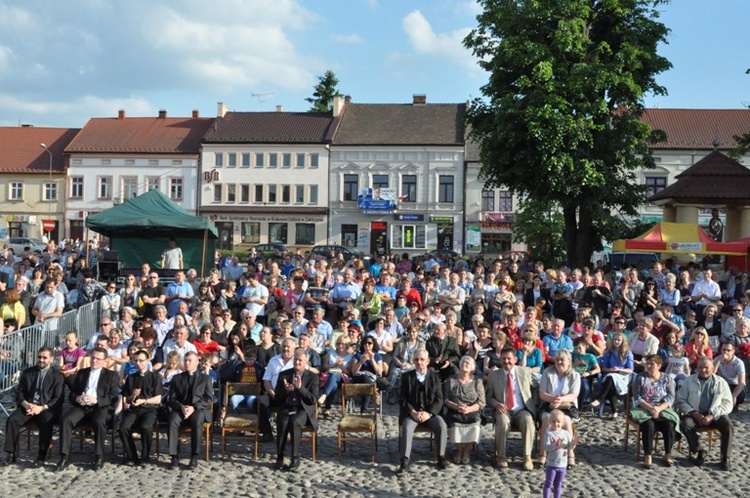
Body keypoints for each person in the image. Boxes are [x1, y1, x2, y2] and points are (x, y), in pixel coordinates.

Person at [57, 347, 120, 471]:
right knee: (66, 420)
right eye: (93, 357)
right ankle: (64, 456)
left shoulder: (111, 375)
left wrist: (97, 400)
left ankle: (99, 455)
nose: (94, 361)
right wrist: (77, 398)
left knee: (99, 422)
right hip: (82, 406)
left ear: (105, 361)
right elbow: (72, 394)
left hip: (99, 407)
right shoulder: (82, 373)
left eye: (98, 359)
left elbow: (113, 397)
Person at [2, 347, 64, 467]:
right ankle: (10, 454)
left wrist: (42, 408)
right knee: (12, 420)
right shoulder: (28, 372)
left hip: (45, 408)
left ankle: (41, 456)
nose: (41, 360)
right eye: (39, 357)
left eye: (44, 357)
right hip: (28, 405)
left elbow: (58, 398)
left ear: (51, 359)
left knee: (46, 421)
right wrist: (25, 404)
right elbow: (19, 392)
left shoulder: (57, 376)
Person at [676, 355, 734, 470]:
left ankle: (725, 457)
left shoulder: (721, 382)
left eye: (706, 367)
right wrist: (695, 413)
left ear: (712, 368)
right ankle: (700, 451)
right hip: (695, 413)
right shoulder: (689, 380)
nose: (703, 370)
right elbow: (681, 400)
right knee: (685, 425)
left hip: (715, 414)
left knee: (728, 425)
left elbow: (728, 404)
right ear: (697, 368)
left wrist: (712, 416)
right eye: (701, 367)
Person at [397, 349, 448, 473]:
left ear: (428, 361)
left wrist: (428, 413)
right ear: (413, 361)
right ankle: (404, 459)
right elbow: (402, 399)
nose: (419, 362)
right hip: (412, 413)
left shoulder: (435, 377)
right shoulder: (406, 377)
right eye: (416, 359)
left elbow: (439, 399)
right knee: (407, 427)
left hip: (430, 414)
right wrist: (413, 412)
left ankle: (441, 456)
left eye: (422, 359)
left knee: (441, 425)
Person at [486, 346, 537, 471]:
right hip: (503, 410)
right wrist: (496, 404)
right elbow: (488, 396)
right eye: (503, 359)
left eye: (509, 358)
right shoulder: (494, 375)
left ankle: (527, 457)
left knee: (528, 421)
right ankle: (501, 457)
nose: (506, 361)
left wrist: (534, 403)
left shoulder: (525, 371)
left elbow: (537, 388)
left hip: (522, 409)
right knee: (502, 422)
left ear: (515, 359)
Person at [630, 354, 679, 468]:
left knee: (669, 424)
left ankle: (668, 453)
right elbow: (637, 397)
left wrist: (658, 408)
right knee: (648, 425)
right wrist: (651, 409)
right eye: (647, 363)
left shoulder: (667, 379)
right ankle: (648, 454)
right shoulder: (640, 378)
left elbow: (671, 398)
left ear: (659, 366)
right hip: (645, 408)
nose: (648, 366)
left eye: (652, 364)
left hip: (662, 408)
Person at [274, 348, 319, 471]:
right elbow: (277, 399)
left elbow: (313, 399)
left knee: (294, 422)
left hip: (302, 410)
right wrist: (286, 391)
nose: (297, 363)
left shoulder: (312, 377)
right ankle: (280, 457)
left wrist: (300, 389)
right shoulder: (284, 375)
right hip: (287, 407)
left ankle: (295, 458)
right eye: (295, 360)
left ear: (306, 362)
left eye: (300, 360)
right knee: (282, 421)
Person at [167, 351, 214, 470]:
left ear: (197, 362)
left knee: (198, 420)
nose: (187, 363)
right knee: (172, 421)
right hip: (181, 409)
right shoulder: (177, 378)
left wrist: (194, 407)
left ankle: (194, 457)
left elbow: (209, 399)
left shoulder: (205, 378)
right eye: (185, 360)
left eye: (190, 360)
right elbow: (171, 399)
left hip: (198, 409)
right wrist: (181, 407)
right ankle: (174, 456)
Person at [118, 349, 163, 466]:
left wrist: (143, 400)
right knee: (123, 428)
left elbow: (158, 399)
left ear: (148, 360)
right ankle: (132, 456)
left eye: (141, 360)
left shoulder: (155, 376)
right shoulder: (131, 377)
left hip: (149, 409)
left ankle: (145, 457)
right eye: (136, 361)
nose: (138, 363)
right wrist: (133, 395)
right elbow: (127, 399)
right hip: (134, 409)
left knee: (146, 427)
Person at [537, 350, 580, 467]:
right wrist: (553, 399)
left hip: (567, 406)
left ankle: (570, 454)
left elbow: (574, 394)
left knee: (565, 420)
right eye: (557, 360)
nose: (559, 362)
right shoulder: (547, 372)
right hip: (549, 405)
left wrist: (561, 399)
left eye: (562, 360)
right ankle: (543, 453)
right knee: (546, 418)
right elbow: (542, 393)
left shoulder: (575, 375)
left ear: (569, 362)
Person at [443, 356, 485, 465]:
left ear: (472, 368)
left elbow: (481, 402)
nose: (464, 364)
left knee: (475, 426)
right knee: (455, 425)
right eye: (462, 362)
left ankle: (466, 450)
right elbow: (445, 399)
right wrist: (457, 406)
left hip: (472, 410)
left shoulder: (477, 381)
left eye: (467, 363)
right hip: (455, 409)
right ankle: (459, 450)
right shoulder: (451, 380)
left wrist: (470, 408)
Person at [591, 331, 634, 419]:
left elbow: (630, 369)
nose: (616, 342)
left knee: (611, 378)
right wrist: (610, 369)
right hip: (610, 374)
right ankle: (614, 412)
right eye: (615, 340)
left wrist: (619, 369)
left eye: (618, 340)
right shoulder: (609, 352)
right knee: (611, 381)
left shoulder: (628, 353)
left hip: (623, 375)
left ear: (622, 341)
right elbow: (603, 368)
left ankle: (599, 399)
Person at [542, 409, 577, 498]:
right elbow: (546, 447)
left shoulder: (565, 433)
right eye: (553, 421)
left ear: (563, 422)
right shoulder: (549, 434)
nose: (556, 424)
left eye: (558, 422)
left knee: (558, 484)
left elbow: (569, 447)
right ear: (550, 422)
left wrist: (573, 443)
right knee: (548, 484)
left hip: (562, 465)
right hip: (551, 464)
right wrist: (555, 444)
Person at [713, 341, 746, 410]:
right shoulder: (717, 359)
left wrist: (734, 396)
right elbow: (711, 374)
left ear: (733, 351)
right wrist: (719, 361)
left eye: (728, 350)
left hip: (734, 385)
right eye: (723, 350)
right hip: (722, 384)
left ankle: (733, 404)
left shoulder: (738, 363)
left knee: (740, 397)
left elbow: (741, 382)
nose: (725, 352)